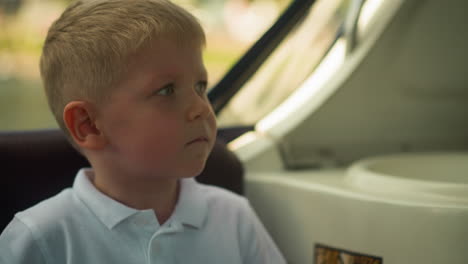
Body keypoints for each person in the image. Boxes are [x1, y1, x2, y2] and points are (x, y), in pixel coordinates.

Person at [0, 0, 286, 263]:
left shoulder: (235, 217)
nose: (201, 108)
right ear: (88, 124)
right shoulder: (40, 238)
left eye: (200, 86)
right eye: (167, 90)